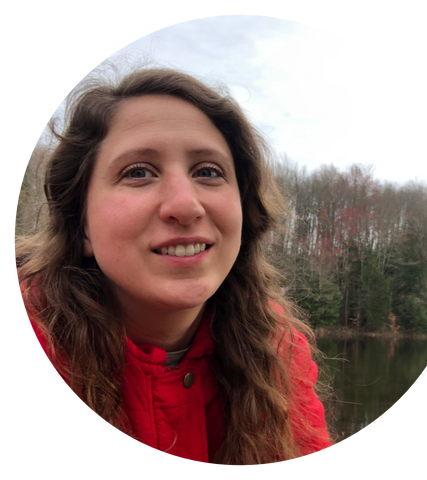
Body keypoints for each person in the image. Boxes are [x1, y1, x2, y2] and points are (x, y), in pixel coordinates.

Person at [13, 68, 334, 467]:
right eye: (138, 172)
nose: (185, 205)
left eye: (207, 172)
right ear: (81, 227)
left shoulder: (273, 348)